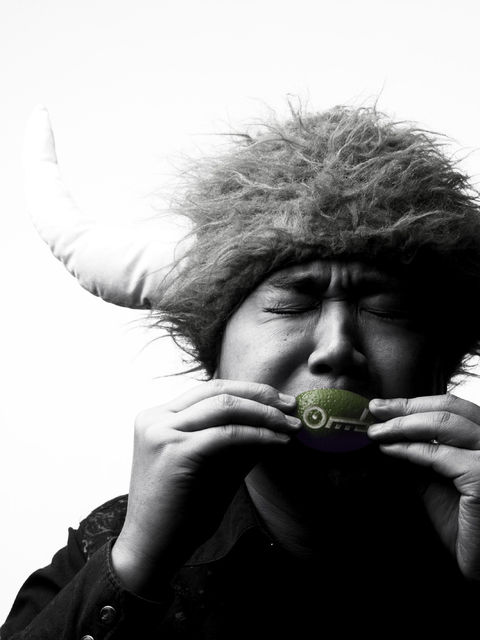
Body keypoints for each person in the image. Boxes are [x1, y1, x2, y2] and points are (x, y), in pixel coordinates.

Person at [4, 103, 480, 638]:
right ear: (216, 358)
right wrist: (135, 565)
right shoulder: (115, 541)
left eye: (385, 309)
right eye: (292, 303)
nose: (337, 348)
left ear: (443, 359)